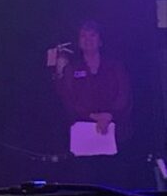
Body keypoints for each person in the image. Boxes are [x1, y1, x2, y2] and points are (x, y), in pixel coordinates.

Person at [52, 20, 133, 185]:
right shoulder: (72, 69)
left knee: (116, 181)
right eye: (83, 35)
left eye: (92, 35)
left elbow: (124, 94)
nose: (88, 39)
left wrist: (109, 115)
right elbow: (67, 98)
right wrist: (91, 115)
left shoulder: (115, 65)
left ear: (100, 40)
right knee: (86, 180)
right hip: (83, 135)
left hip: (115, 132)